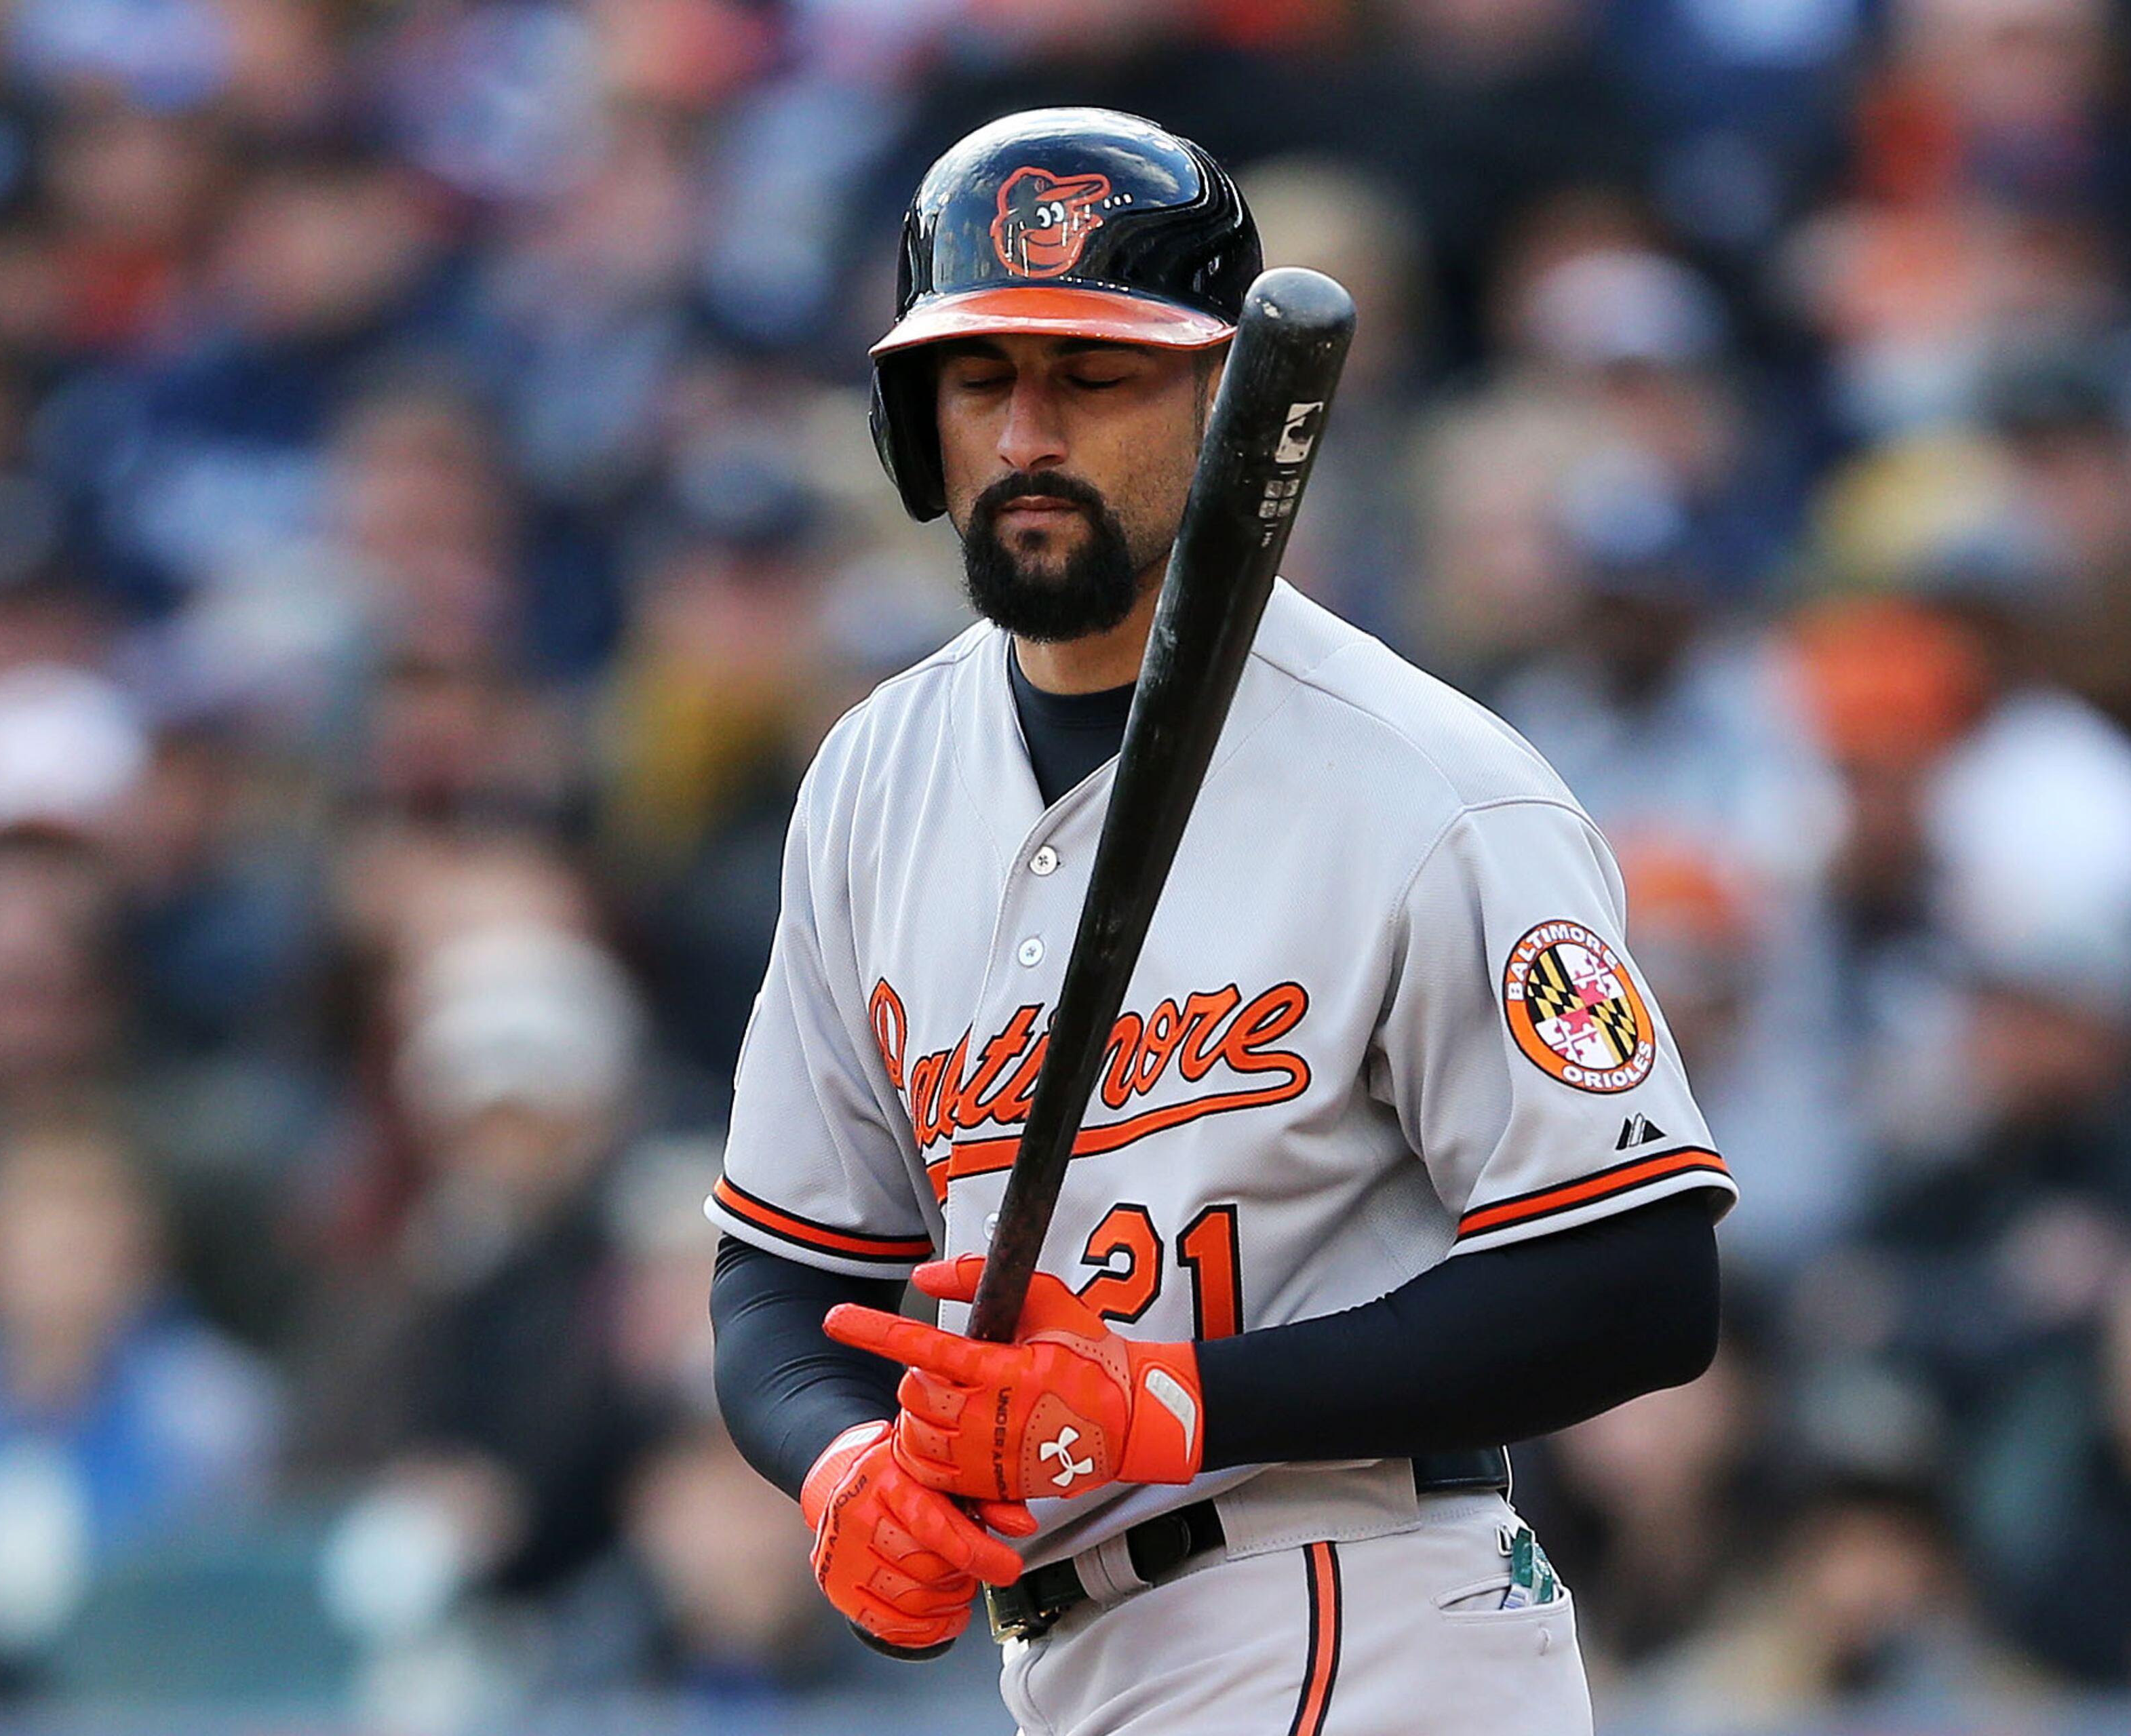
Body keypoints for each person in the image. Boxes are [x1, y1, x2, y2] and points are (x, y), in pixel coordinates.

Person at [706, 108, 1732, 1736]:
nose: (1027, 434)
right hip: (1078, 1648)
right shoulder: (872, 777)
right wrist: (846, 1469)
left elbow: (1638, 1277)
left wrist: (1166, 1402)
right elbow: (780, 1272)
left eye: (1095, 376)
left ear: (1226, 402)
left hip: (1352, 1597)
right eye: (981, 381)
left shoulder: (1428, 783)